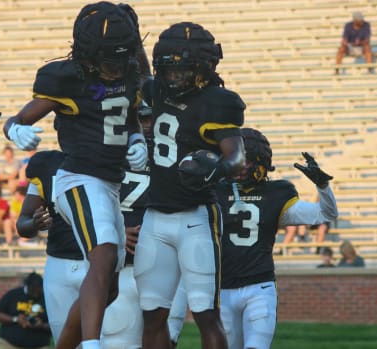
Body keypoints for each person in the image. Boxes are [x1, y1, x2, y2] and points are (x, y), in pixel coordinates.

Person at [3, 3, 147, 348]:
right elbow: (18, 118)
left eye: (119, 59)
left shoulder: (131, 72)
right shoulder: (67, 78)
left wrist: (139, 138)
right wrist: (15, 130)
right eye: (107, 60)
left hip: (108, 183)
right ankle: (93, 344)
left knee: (110, 284)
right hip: (79, 178)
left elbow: (129, 117)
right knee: (104, 254)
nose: (114, 68)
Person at [134, 22, 247, 349]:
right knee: (152, 315)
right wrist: (133, 31)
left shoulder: (218, 102)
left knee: (205, 314)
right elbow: (143, 72)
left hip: (196, 217)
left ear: (205, 69)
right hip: (154, 218)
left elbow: (237, 157)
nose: (174, 77)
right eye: (168, 69)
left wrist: (218, 169)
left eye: (183, 70)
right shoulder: (154, 90)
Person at [218, 129, 338, 349]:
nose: (239, 166)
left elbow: (326, 214)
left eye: (245, 161)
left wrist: (322, 186)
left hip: (258, 287)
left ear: (261, 163)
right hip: (223, 288)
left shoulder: (276, 193)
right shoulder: (216, 189)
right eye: (235, 160)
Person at [104, 103, 187, 349]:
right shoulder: (108, 154)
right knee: (120, 341)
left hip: (168, 263)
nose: (148, 126)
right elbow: (91, 205)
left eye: (152, 118)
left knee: (166, 340)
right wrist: (118, 231)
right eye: (142, 119)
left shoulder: (179, 154)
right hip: (124, 264)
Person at [17, 150, 87, 346]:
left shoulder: (103, 157)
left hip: (98, 260)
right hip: (59, 263)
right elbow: (23, 222)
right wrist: (34, 224)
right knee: (64, 341)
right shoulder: (47, 165)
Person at [0, 272, 52, 349]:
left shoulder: (48, 299)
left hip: (39, 345)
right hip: (9, 344)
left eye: (39, 289)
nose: (36, 293)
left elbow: (57, 325)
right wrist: (16, 319)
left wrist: (41, 325)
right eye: (33, 289)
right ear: (27, 286)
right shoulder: (14, 294)